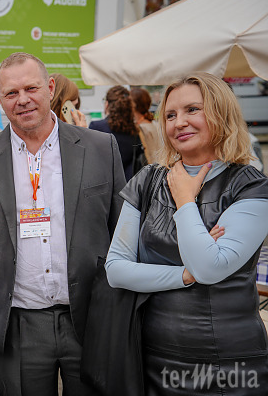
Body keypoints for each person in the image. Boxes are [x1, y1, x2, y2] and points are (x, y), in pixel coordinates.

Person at [0, 52, 126, 395]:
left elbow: (122, 232)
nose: (22, 100)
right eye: (11, 93)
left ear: (49, 88)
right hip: (16, 325)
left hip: (92, 318)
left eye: (31, 88)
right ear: (0, 98)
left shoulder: (99, 148)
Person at [105, 72, 268, 395]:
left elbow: (208, 267)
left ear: (221, 113)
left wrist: (184, 200)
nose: (179, 123)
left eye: (192, 109)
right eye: (170, 115)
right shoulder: (147, 181)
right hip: (152, 356)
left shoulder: (250, 186)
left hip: (229, 363)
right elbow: (116, 269)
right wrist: (184, 274)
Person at [90, 86, 140, 180]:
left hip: (101, 182)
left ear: (107, 104)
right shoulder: (134, 131)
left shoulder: (96, 127)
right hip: (127, 184)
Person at [131, 87, 162, 165]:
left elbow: (149, 155)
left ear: (133, 104)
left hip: (152, 168)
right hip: (161, 166)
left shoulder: (141, 128)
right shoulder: (154, 124)